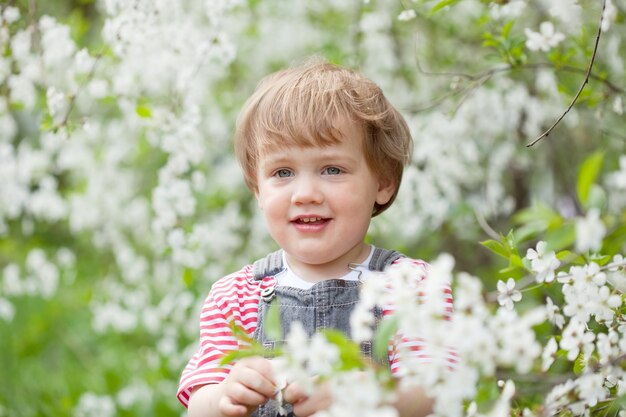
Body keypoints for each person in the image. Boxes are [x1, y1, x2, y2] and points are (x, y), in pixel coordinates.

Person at [177, 58, 452, 417]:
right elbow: (199, 404)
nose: (305, 193)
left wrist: (370, 393)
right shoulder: (235, 296)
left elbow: (438, 391)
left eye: (332, 169)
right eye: (283, 172)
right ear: (257, 188)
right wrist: (226, 397)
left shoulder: (411, 285)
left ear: (382, 182)